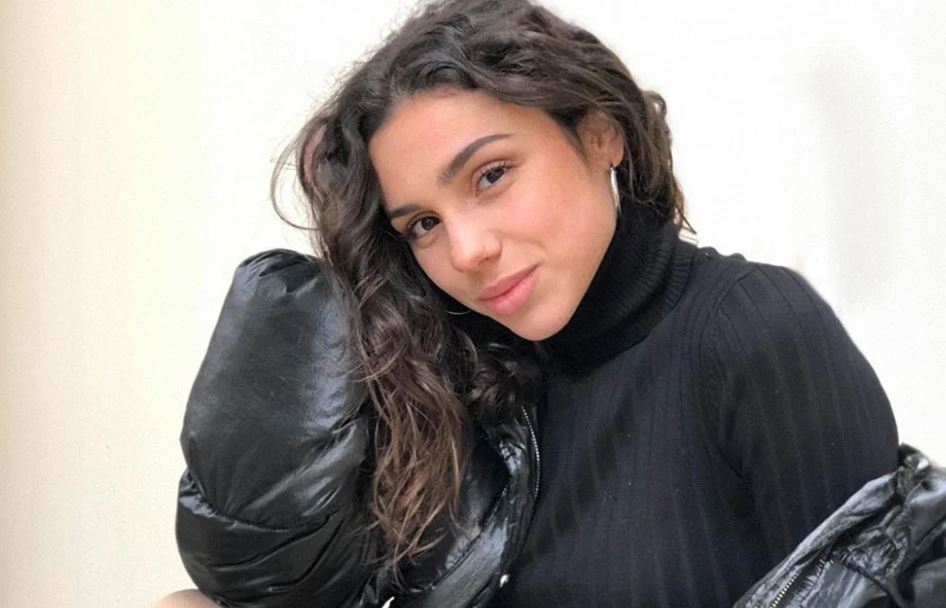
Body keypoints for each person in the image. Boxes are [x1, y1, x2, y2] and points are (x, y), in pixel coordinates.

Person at [155, 0, 901, 606]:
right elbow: (268, 582)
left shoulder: (753, 332)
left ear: (600, 134)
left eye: (491, 176)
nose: (466, 250)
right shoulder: (461, 375)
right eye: (423, 225)